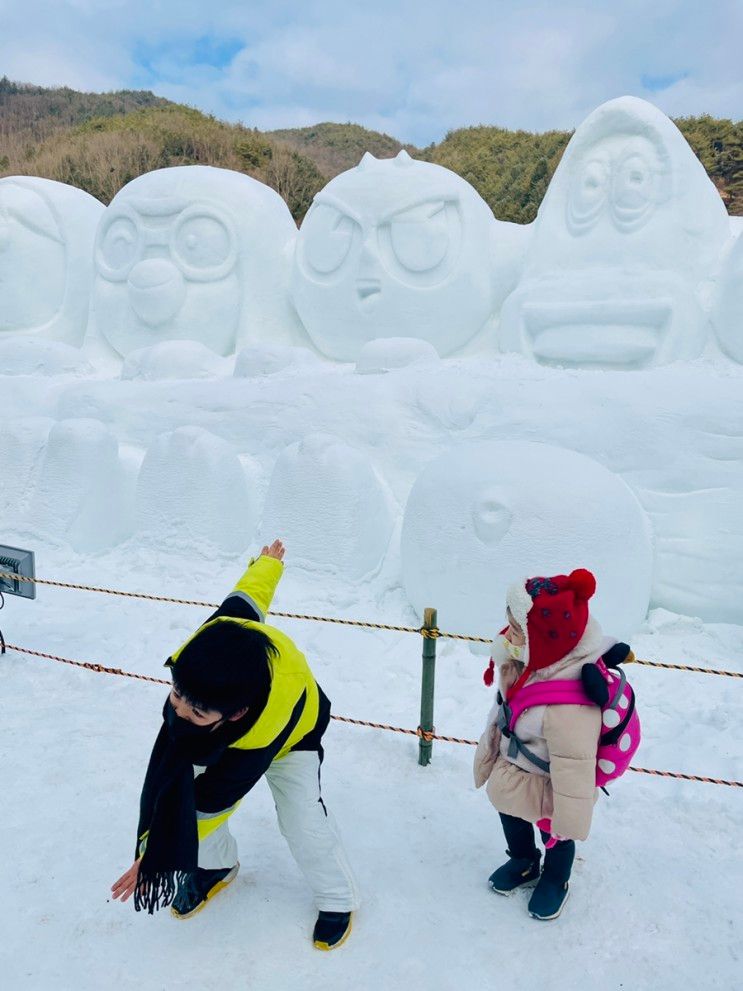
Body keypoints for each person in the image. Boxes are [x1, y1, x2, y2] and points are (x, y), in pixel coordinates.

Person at [111, 539, 360, 950]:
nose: (180, 712)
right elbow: (247, 596)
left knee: (300, 821)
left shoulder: (258, 730)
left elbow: (211, 801)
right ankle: (216, 866)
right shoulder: (215, 642)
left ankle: (338, 898)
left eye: (196, 713)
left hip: (290, 736)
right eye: (177, 695)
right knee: (178, 792)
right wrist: (267, 565)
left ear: (235, 714)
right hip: (231, 728)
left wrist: (159, 852)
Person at [474, 568, 633, 921]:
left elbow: (574, 765)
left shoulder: (570, 705)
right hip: (514, 767)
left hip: (551, 783)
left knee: (554, 832)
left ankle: (556, 877)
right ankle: (523, 860)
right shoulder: (528, 657)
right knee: (509, 811)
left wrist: (568, 818)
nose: (508, 633)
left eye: (517, 629)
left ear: (544, 638)